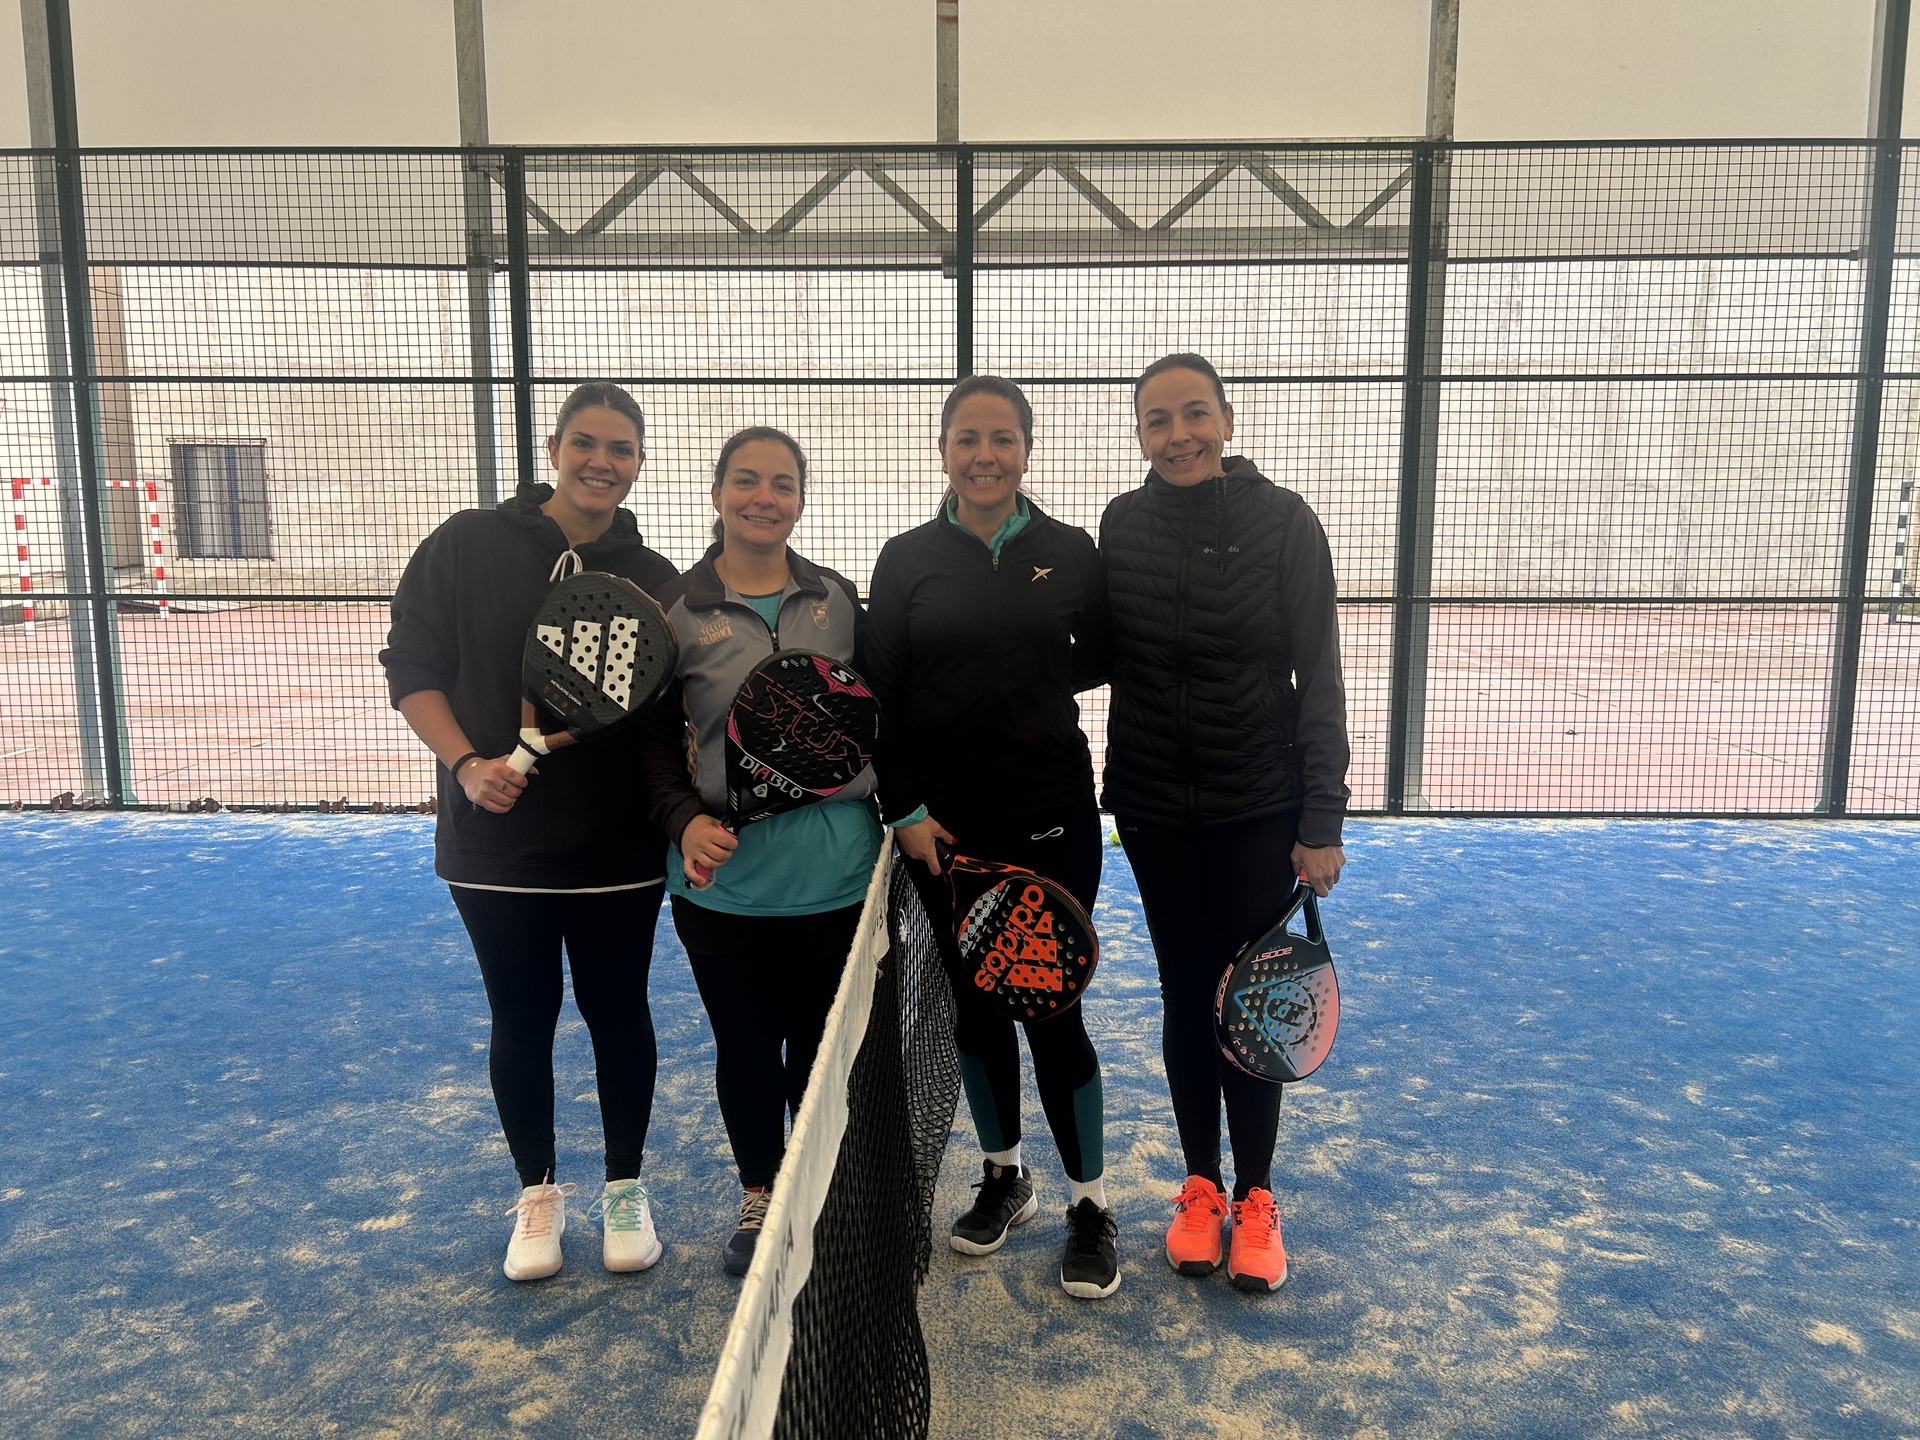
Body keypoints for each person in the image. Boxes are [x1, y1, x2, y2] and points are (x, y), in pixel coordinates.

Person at [380, 383, 678, 1282]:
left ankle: (624, 1189)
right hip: (494, 850)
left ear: (638, 464)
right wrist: (469, 765)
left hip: (617, 848)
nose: (601, 462)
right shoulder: (467, 543)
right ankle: (537, 1196)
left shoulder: (654, 575)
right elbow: (412, 667)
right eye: (585, 442)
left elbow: (659, 710)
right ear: (554, 449)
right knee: (521, 1014)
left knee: (619, 1012)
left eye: (620, 449)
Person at [1099, 353, 1351, 1295]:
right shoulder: (1121, 524)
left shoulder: (1285, 522)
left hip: (1258, 807)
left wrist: (1321, 817)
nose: (1179, 436)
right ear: (1140, 434)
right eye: (1158, 420)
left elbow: (1319, 672)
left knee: (1250, 999)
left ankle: (1256, 1195)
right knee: (1183, 993)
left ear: (1228, 420)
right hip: (1155, 810)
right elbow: (1091, 648)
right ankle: (1200, 1186)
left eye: (1194, 414)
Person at [866, 376, 1120, 1299]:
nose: (985, 455)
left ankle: (1090, 1205)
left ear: (1026, 449)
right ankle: (1005, 1175)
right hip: (944, 831)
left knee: (1052, 1007)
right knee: (975, 1009)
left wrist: (1023, 683)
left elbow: (1101, 652)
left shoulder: (1071, 551)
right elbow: (881, 693)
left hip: (1054, 819)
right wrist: (905, 812)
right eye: (967, 438)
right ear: (943, 451)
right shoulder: (906, 559)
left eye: (1003, 438)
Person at [637, 426, 882, 1277]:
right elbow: (651, 741)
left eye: (782, 484)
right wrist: (682, 819)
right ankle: (760, 1194)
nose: (763, 498)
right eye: (746, 481)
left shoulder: (838, 598)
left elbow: (876, 714)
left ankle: (816, 1192)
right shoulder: (674, 609)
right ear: (717, 494)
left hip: (838, 876)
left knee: (819, 1051)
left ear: (801, 501)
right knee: (745, 1048)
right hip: (723, 884)